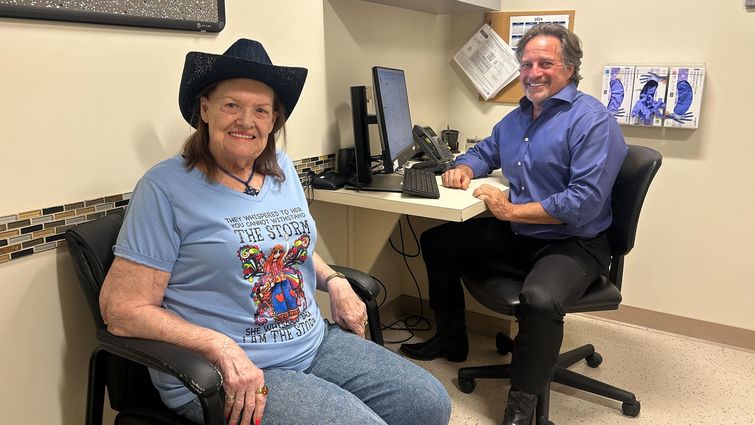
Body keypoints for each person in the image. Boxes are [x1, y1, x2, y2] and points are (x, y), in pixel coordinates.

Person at [100, 39, 451, 425]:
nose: (245, 120)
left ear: (273, 120)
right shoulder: (164, 188)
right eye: (231, 105)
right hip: (229, 373)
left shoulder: (280, 170)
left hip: (313, 342)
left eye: (260, 110)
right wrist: (219, 347)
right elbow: (122, 311)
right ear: (204, 109)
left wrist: (333, 280)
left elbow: (287, 247)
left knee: (429, 403)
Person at [399, 23, 628, 425]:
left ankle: (521, 407)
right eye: (526, 64)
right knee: (438, 241)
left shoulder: (593, 121)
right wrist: (463, 167)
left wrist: (510, 212)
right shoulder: (518, 117)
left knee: (540, 299)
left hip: (574, 241)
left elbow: (583, 203)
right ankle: (451, 337)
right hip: (521, 233)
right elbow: (486, 151)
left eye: (545, 63)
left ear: (570, 68)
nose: (533, 73)